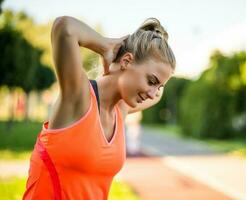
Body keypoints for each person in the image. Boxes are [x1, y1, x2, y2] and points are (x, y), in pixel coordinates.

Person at [23, 16, 175, 200]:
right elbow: (65, 28)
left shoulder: (121, 110)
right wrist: (105, 46)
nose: (152, 93)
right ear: (127, 61)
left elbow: (157, 96)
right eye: (151, 81)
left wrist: (157, 74)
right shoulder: (79, 97)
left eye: (158, 86)